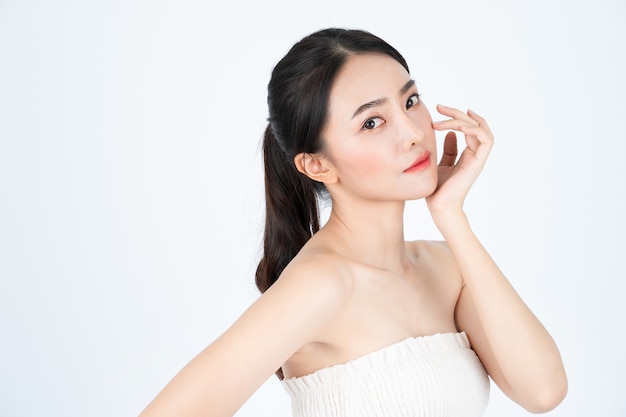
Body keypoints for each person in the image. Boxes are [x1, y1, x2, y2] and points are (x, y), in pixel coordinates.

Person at [139, 28, 567, 417]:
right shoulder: (320, 285)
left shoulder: (446, 267)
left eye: (410, 101)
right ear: (317, 165)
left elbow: (543, 391)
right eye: (372, 122)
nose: (413, 133)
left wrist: (451, 217)